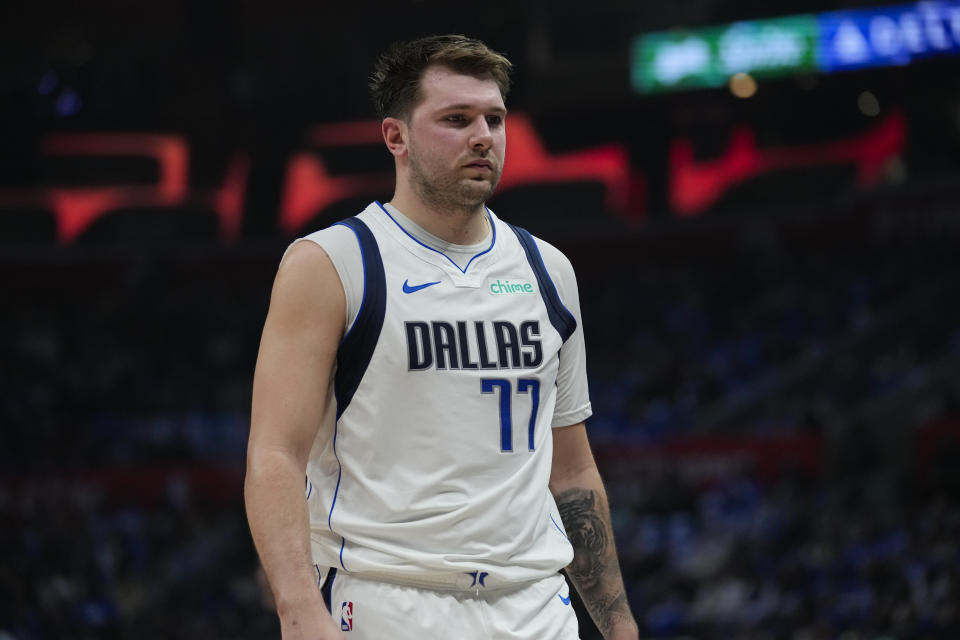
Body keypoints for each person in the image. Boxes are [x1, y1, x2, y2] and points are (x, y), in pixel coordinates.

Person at [244, 34, 639, 640]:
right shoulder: (331, 262)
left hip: (536, 604)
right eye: (456, 119)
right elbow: (275, 455)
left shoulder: (548, 270)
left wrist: (617, 624)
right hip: (389, 600)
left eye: (495, 118)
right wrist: (298, 611)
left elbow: (573, 472)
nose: (483, 135)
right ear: (395, 137)